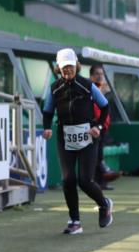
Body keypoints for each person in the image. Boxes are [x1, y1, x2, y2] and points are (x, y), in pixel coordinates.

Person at [42, 49, 114, 235]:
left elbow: (105, 107)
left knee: (84, 180)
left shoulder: (87, 86)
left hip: (88, 136)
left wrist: (97, 126)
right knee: (68, 179)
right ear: (59, 68)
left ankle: (103, 204)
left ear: (76, 66)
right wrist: (47, 127)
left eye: (70, 67)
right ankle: (75, 221)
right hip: (65, 136)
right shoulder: (55, 88)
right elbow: (48, 111)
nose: (68, 71)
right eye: (64, 67)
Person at [88, 63, 122, 190]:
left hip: (102, 127)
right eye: (97, 74)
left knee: (99, 154)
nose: (99, 76)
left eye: (101, 74)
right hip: (93, 127)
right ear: (91, 76)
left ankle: (101, 182)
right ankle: (100, 178)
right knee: (95, 155)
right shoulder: (89, 89)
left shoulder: (102, 90)